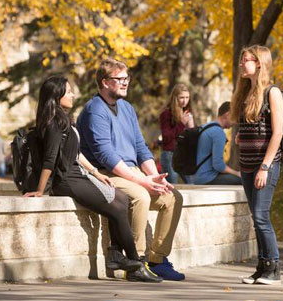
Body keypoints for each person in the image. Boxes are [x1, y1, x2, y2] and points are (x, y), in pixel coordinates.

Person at [24, 76, 160, 282]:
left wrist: (96, 173)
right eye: (68, 92)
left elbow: (76, 153)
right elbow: (49, 160)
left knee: (121, 198)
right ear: (56, 95)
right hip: (66, 180)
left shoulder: (64, 120)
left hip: (79, 174)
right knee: (115, 207)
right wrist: (41, 190)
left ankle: (115, 255)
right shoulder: (52, 123)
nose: (72, 95)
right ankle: (135, 264)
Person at [77, 59, 185, 281]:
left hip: (130, 171)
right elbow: (106, 156)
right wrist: (141, 181)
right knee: (140, 196)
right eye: (120, 79)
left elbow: (140, 147)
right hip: (104, 174)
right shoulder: (94, 111)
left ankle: (157, 259)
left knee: (173, 197)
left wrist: (153, 175)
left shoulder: (127, 108)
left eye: (127, 79)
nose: (125, 83)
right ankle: (136, 263)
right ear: (105, 82)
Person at [231, 45, 283, 285]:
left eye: (246, 60)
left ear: (259, 63)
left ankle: (274, 268)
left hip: (265, 166)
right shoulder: (245, 92)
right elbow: (251, 127)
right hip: (246, 165)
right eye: (241, 60)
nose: (242, 64)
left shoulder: (272, 92)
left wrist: (265, 166)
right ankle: (261, 268)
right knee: (256, 217)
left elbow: (278, 133)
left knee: (262, 217)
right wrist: (243, 137)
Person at [191, 101, 241, 185]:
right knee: (243, 181)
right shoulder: (218, 133)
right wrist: (237, 173)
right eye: (235, 118)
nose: (236, 122)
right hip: (207, 178)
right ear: (227, 114)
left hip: (196, 176)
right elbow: (218, 165)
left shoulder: (206, 126)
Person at [159, 83, 195, 184]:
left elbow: (190, 137)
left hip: (183, 155)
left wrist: (190, 126)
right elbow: (166, 137)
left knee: (192, 185)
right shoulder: (166, 114)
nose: (185, 101)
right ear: (175, 98)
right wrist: (181, 123)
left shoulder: (186, 112)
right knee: (172, 187)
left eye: (187, 97)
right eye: (181, 97)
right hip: (170, 154)